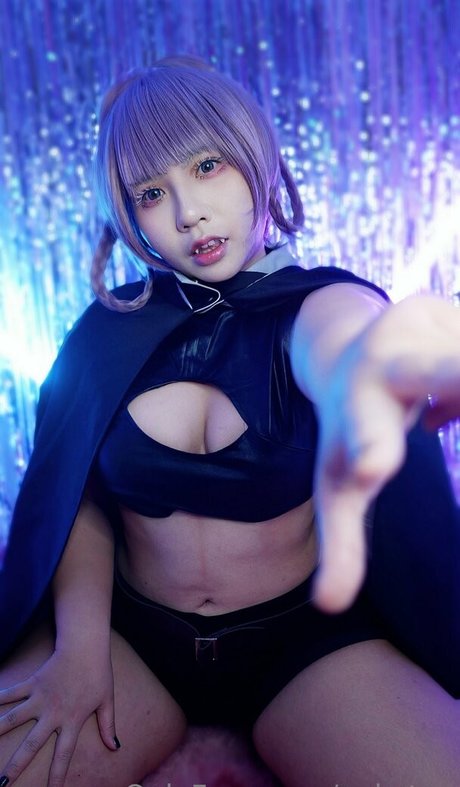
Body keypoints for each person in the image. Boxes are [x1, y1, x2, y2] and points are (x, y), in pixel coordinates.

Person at [0, 56, 460, 787]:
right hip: (132, 642)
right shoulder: (103, 336)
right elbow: (79, 500)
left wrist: (381, 362)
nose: (188, 213)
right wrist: (79, 648)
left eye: (207, 166)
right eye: (152, 192)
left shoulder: (322, 305)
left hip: (305, 647)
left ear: (255, 154)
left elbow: (344, 344)